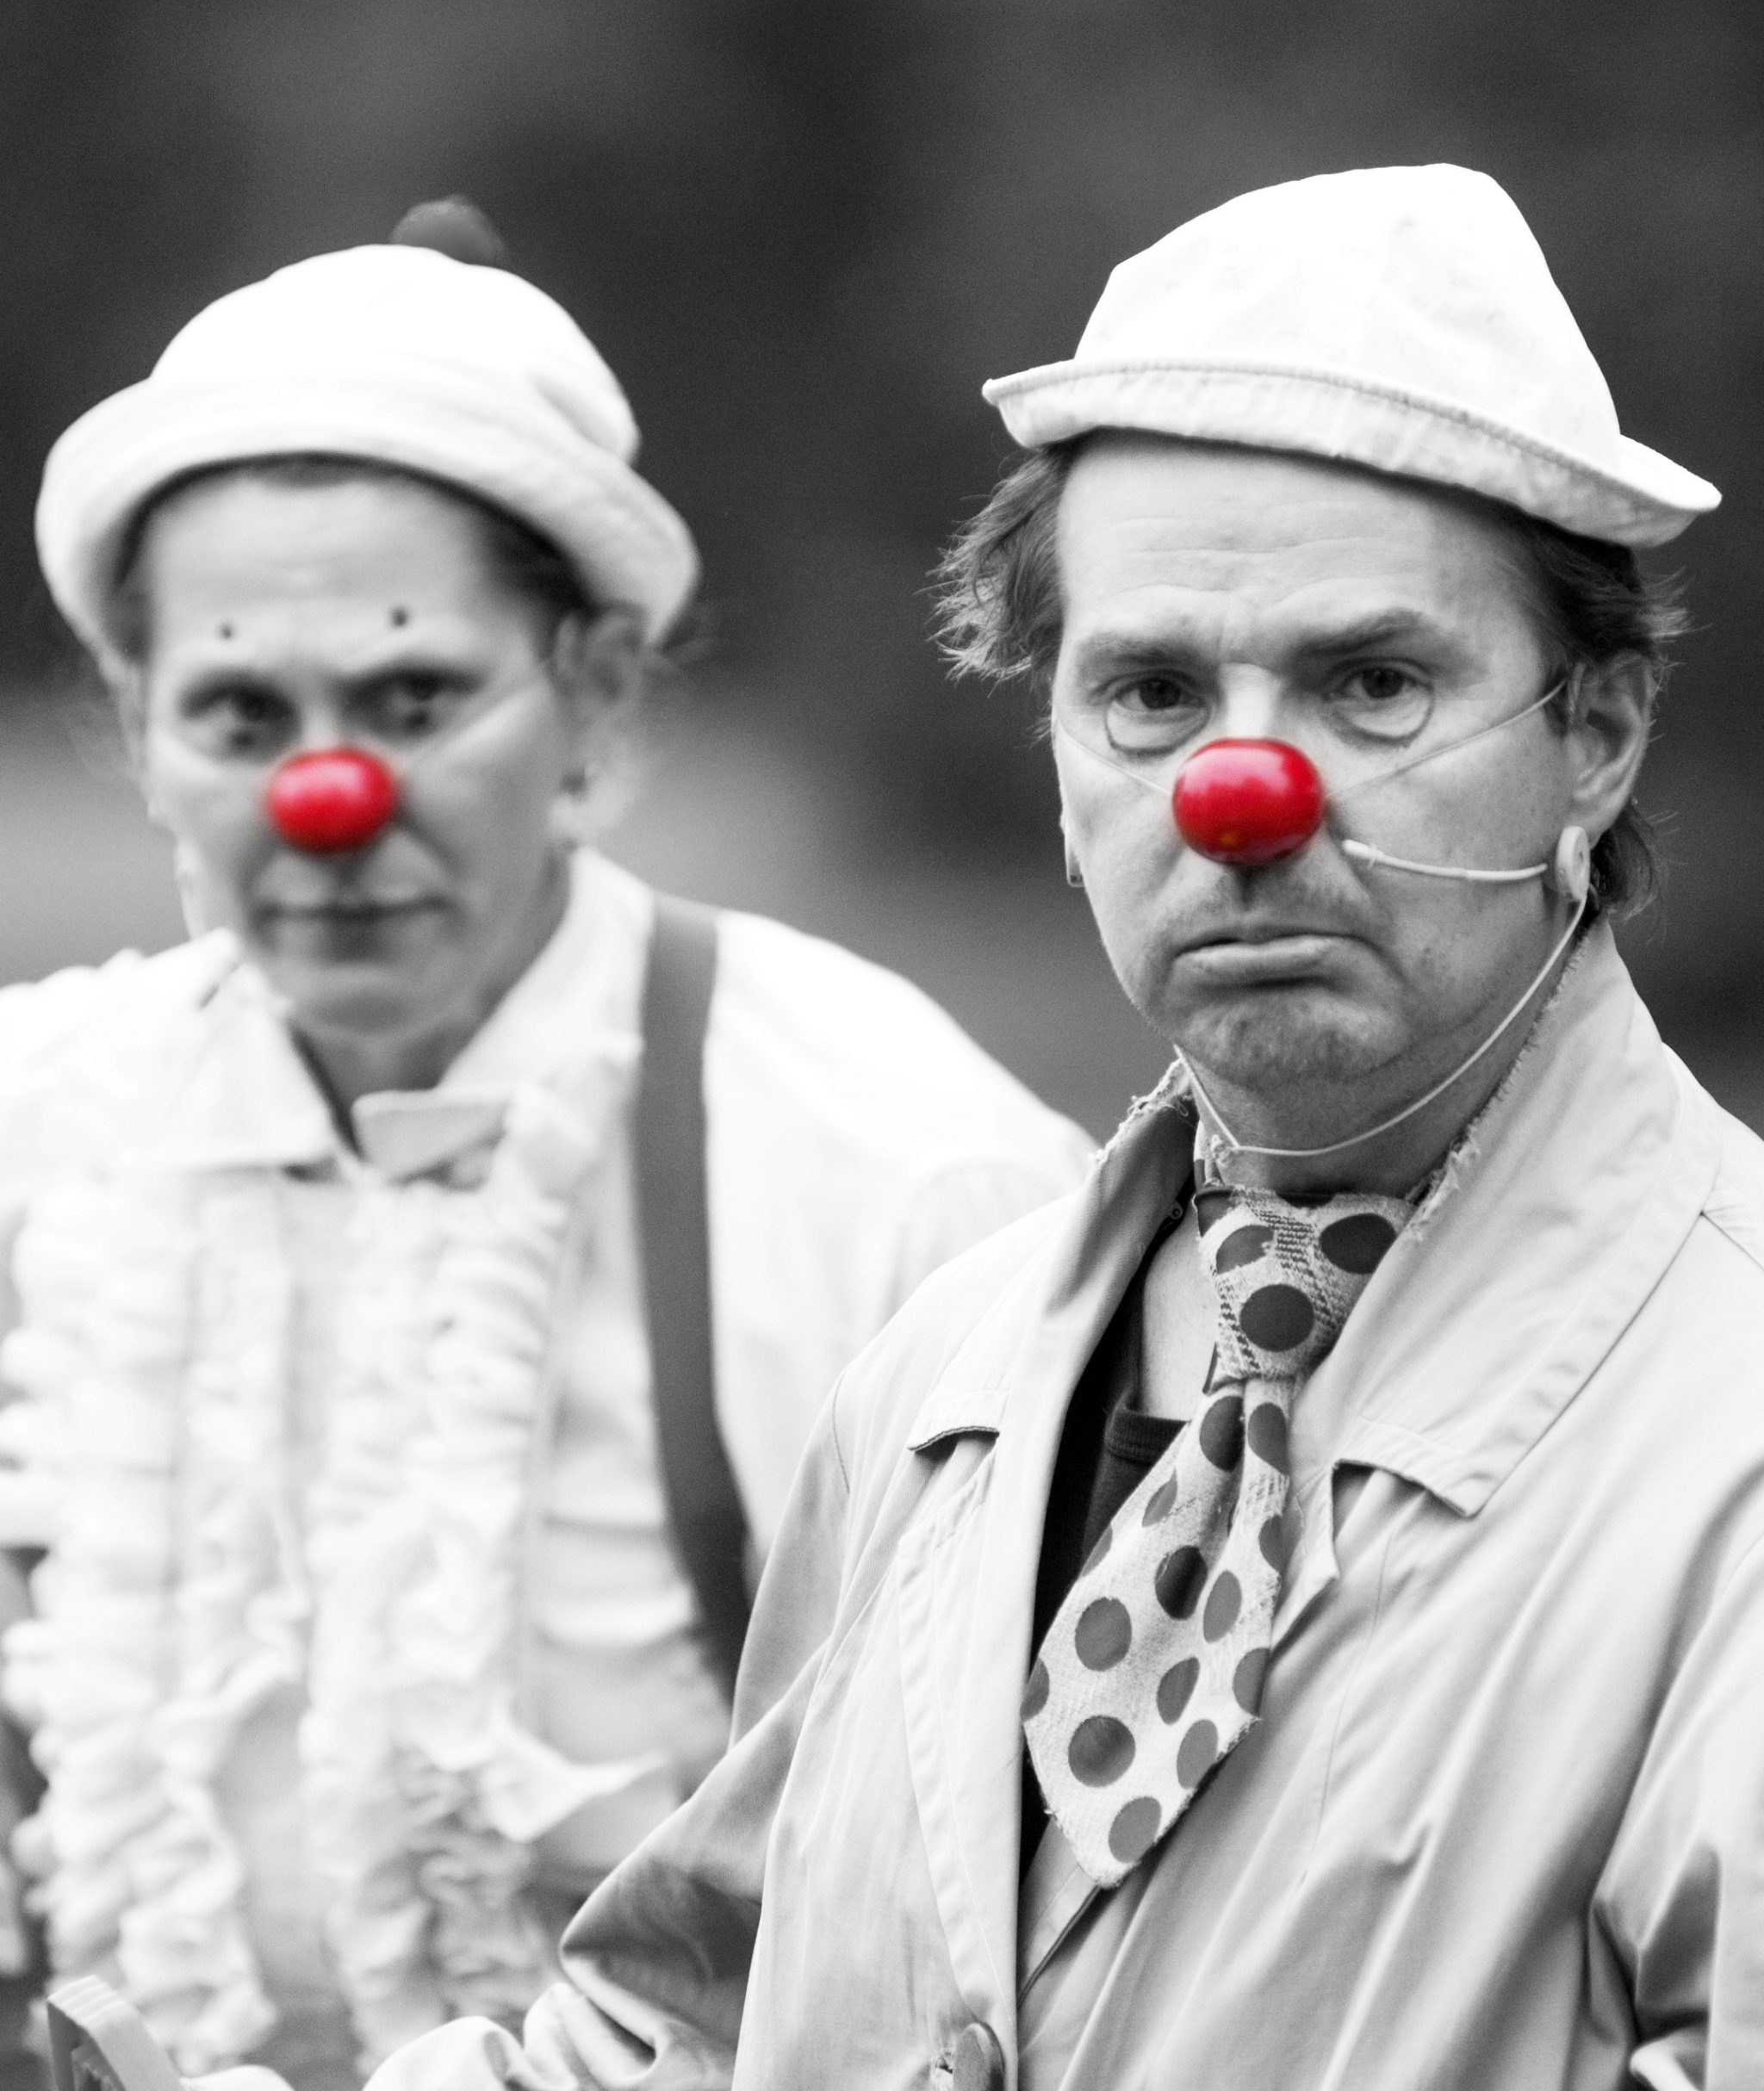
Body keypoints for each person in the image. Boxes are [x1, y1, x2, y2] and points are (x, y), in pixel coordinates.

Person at [343, 164, 1764, 2091]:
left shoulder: (1732, 1429)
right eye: (1152, 692)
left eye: (1372, 682)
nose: (1241, 794)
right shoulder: (941, 1374)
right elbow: (695, 2029)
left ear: (1594, 735)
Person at [0, 202, 1093, 2090]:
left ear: (592, 687)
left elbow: (1018, 1914)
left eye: (415, 698)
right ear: (136, 724)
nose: (326, 797)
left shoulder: (894, 1170)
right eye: (240, 711)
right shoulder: (35, 1137)